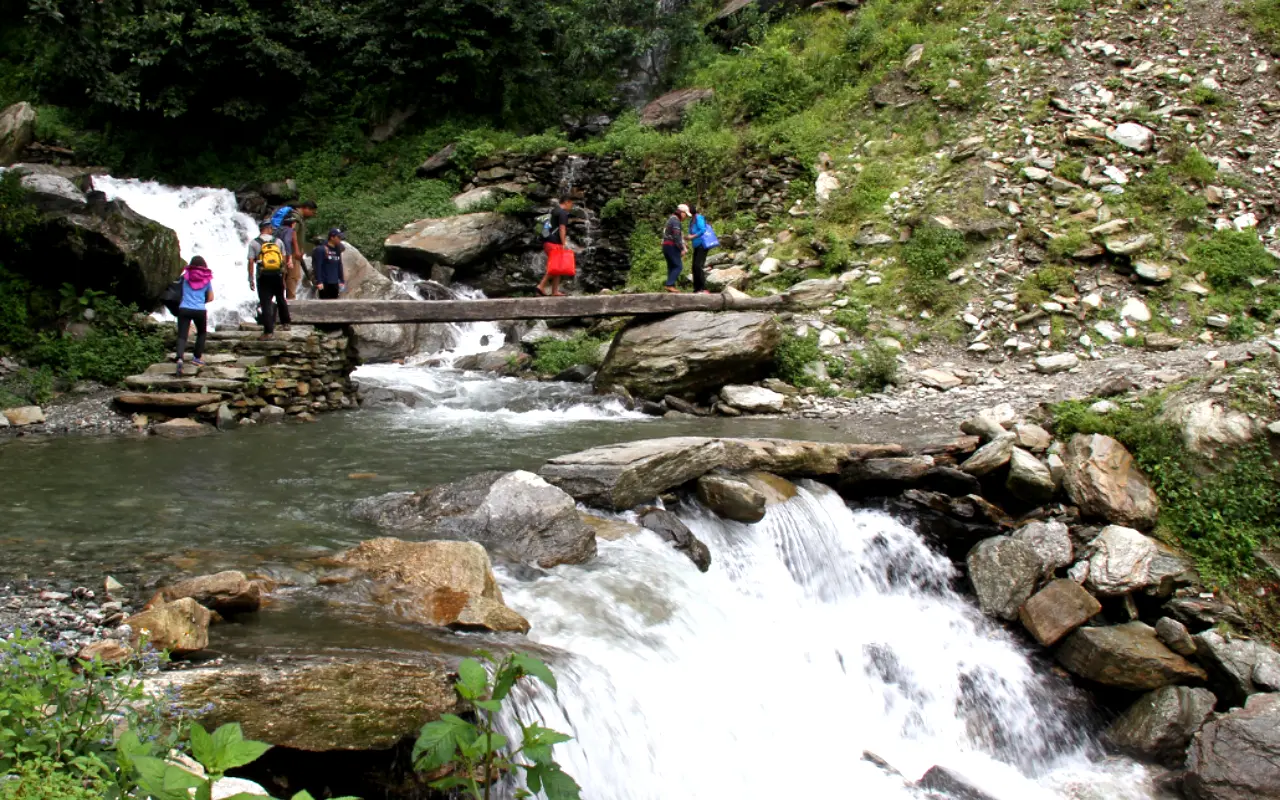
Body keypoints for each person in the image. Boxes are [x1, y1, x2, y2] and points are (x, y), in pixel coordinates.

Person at [248, 220, 291, 339]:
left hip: (263, 276)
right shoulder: (278, 241)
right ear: (268, 228)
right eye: (271, 228)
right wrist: (284, 277)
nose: (272, 230)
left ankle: (268, 331)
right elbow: (283, 261)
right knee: (281, 298)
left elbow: (251, 261)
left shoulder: (254, 243)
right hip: (277, 275)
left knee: (266, 302)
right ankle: (286, 323)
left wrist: (250, 279)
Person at [270, 200, 317, 300]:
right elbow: (292, 233)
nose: (313, 215)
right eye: (312, 212)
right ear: (306, 208)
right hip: (290, 253)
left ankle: (281, 300)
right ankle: (290, 301)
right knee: (292, 277)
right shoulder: (295, 217)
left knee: (285, 277)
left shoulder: (294, 216)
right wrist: (297, 250)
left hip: (285, 252)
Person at [175, 256, 214, 376]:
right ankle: (196, 358)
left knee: (182, 335)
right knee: (201, 333)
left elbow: (178, 291)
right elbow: (211, 297)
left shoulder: (185, 277)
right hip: (199, 310)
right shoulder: (207, 279)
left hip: (184, 308)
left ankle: (180, 358)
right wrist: (200, 302)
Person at [537, 196, 575, 297]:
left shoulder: (554, 211)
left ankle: (554, 291)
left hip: (546, 241)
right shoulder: (562, 213)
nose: (572, 207)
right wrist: (564, 244)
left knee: (557, 266)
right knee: (555, 266)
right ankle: (541, 285)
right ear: (567, 202)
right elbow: (562, 229)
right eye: (572, 204)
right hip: (554, 242)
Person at [662, 204, 691, 293]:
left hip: (665, 245)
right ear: (681, 213)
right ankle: (669, 285)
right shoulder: (675, 221)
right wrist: (682, 248)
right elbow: (676, 236)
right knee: (678, 266)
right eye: (685, 214)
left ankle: (671, 286)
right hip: (671, 245)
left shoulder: (670, 219)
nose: (685, 217)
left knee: (671, 266)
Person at [312, 228, 346, 299]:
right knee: (324, 304)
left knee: (334, 304)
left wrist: (342, 280)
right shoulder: (322, 249)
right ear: (332, 237)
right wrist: (319, 281)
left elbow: (339, 265)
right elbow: (318, 266)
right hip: (325, 282)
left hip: (335, 282)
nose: (340, 239)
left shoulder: (337, 249)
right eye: (338, 237)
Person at [686, 206, 711, 294]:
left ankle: (703, 288)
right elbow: (691, 232)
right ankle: (696, 288)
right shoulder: (691, 221)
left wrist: (692, 236)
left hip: (702, 245)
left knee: (698, 266)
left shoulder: (699, 218)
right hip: (696, 246)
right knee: (694, 267)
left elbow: (703, 229)